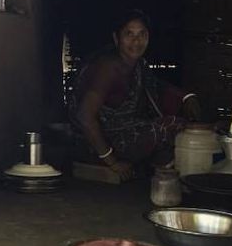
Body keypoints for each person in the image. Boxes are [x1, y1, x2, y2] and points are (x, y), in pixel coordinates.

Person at [68, 10, 202, 181]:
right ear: (117, 39)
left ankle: (160, 174)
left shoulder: (138, 66)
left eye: (142, 34)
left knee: (176, 134)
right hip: (93, 144)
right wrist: (112, 162)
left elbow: (157, 87)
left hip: (123, 133)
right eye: (129, 34)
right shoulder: (108, 68)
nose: (136, 41)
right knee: (170, 127)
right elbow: (85, 117)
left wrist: (186, 96)